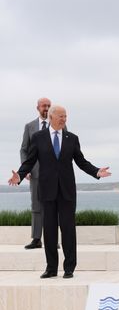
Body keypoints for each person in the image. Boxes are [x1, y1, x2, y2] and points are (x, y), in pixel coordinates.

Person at [9, 105, 111, 279]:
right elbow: (30, 160)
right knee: (49, 230)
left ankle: (69, 267)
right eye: (61, 116)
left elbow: (81, 161)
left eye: (66, 116)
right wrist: (20, 174)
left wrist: (96, 172)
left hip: (67, 190)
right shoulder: (38, 137)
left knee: (68, 229)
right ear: (51, 117)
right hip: (47, 190)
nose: (64, 119)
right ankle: (51, 268)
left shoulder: (72, 138)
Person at [20, 97, 51, 249]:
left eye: (49, 106)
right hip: (35, 173)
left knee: (53, 206)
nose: (46, 108)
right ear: (37, 107)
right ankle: (36, 239)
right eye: (44, 105)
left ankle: (52, 239)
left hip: (53, 174)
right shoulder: (29, 126)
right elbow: (24, 149)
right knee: (36, 206)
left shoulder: (58, 124)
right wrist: (25, 170)